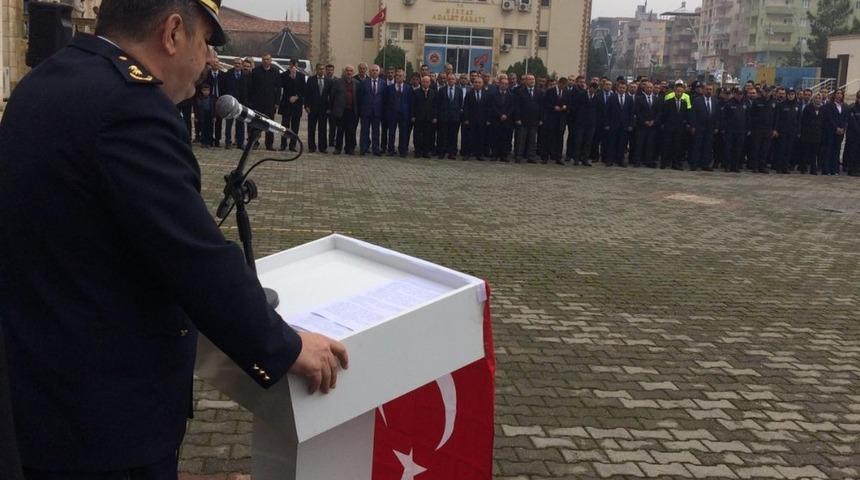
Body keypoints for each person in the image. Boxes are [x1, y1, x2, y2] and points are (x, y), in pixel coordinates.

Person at [0, 1, 348, 478]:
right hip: (104, 415)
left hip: (40, 380)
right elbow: (194, 257)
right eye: (205, 42)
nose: (208, 59)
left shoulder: (48, 79)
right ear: (172, 33)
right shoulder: (130, 108)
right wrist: (285, 346)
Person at [249, 53, 281, 150]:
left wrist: (277, 102)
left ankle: (269, 144)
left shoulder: (275, 72)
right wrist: (251, 101)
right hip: (257, 103)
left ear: (270, 61)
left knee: (270, 124)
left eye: (267, 59)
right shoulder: (255, 71)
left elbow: (278, 88)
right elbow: (251, 87)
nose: (265, 61)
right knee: (255, 124)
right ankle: (254, 142)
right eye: (264, 59)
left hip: (270, 103)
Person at [660, 82, 691, 170]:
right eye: (677, 91)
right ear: (674, 91)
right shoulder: (668, 102)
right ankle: (664, 163)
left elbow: (686, 115)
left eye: (681, 92)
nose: (679, 93)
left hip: (679, 128)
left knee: (677, 146)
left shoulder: (684, 103)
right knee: (666, 145)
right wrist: (664, 124)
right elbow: (664, 114)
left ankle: (675, 163)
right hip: (669, 127)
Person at [514, 74, 543, 164]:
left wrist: (541, 119)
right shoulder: (520, 92)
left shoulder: (539, 92)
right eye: (529, 79)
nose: (532, 81)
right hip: (523, 119)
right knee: (521, 139)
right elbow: (517, 106)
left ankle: (531, 156)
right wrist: (517, 118)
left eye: (533, 79)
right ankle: (519, 156)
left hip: (534, 120)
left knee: (532, 140)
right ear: (526, 81)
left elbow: (541, 106)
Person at [690, 84, 719, 171]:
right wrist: (693, 126)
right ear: (703, 90)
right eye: (707, 89)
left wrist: (716, 127)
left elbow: (717, 115)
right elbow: (693, 114)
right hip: (699, 127)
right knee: (697, 146)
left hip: (710, 128)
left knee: (708, 147)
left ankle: (705, 164)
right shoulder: (697, 101)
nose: (709, 91)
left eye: (710, 89)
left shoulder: (715, 101)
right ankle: (694, 164)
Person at [358, 64, 386, 156]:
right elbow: (360, 97)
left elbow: (384, 98)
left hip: (377, 111)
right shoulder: (364, 83)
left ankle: (376, 149)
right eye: (372, 70)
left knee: (376, 131)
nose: (374, 72)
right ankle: (363, 148)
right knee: (364, 131)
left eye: (376, 70)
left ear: (379, 72)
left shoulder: (383, 83)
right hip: (366, 111)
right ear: (369, 72)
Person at [543, 77, 572, 165]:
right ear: (559, 83)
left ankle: (558, 157)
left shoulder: (567, 93)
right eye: (563, 85)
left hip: (561, 119)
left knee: (559, 139)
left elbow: (569, 104)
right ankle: (545, 157)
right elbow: (546, 104)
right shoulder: (550, 91)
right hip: (551, 118)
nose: (563, 87)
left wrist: (565, 107)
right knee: (548, 138)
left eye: (565, 86)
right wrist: (553, 107)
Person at [720, 87, 749, 173]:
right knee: (728, 148)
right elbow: (724, 117)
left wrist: (747, 128)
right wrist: (724, 128)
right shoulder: (729, 103)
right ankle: (727, 166)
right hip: (730, 130)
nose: (739, 96)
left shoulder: (745, 104)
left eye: (741, 94)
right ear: (735, 94)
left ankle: (735, 166)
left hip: (741, 131)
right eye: (738, 94)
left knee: (738, 149)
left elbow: (748, 117)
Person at [331, 65, 359, 155]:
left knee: (350, 131)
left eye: (351, 71)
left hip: (351, 111)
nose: (349, 72)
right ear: (344, 72)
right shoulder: (338, 82)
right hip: (340, 111)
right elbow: (332, 96)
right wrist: (332, 109)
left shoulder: (357, 83)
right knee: (340, 130)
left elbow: (359, 98)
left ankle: (349, 148)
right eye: (347, 70)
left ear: (353, 73)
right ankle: (338, 148)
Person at [435, 73, 464, 160]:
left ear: (455, 80)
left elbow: (460, 103)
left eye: (453, 79)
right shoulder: (442, 90)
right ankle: (442, 152)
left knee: (453, 136)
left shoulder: (459, 90)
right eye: (449, 79)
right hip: (444, 117)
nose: (451, 80)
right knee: (442, 135)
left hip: (455, 117)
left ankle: (452, 153)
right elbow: (438, 104)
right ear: (447, 80)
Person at [384, 69, 413, 157]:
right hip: (392, 114)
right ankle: (391, 150)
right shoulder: (389, 88)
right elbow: (386, 102)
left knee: (403, 133)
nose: (398, 77)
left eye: (400, 76)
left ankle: (402, 150)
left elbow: (410, 102)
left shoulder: (408, 88)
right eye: (397, 75)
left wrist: (409, 114)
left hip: (404, 114)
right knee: (391, 132)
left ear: (404, 77)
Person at [279, 59, 306, 152]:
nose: (293, 67)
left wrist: (297, 96)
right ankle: (283, 144)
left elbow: (303, 90)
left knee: (295, 126)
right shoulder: (284, 75)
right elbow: (282, 87)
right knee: (284, 125)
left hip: (297, 104)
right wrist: (290, 77)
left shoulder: (301, 76)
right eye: (291, 65)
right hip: (286, 103)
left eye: (295, 65)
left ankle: (293, 145)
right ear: (289, 65)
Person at [305, 63, 332, 153]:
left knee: (323, 129)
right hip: (312, 108)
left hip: (324, 109)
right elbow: (307, 94)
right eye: (320, 69)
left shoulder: (329, 81)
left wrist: (329, 108)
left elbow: (330, 96)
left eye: (323, 69)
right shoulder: (311, 80)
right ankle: (311, 147)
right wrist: (307, 106)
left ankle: (323, 147)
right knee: (311, 128)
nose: (322, 70)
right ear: (316, 70)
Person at [772, 89, 800, 174]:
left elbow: (799, 119)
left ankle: (785, 167)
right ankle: (778, 167)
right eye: (789, 94)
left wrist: (798, 131)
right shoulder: (781, 105)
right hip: (782, 131)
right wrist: (775, 129)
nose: (791, 96)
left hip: (792, 131)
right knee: (781, 149)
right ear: (786, 95)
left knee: (789, 149)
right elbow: (777, 118)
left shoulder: (797, 106)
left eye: (792, 94)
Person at [606, 81, 633, 167]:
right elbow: (607, 112)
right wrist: (607, 123)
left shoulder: (629, 98)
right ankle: (610, 160)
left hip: (624, 125)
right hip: (613, 124)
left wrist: (630, 125)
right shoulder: (612, 97)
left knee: (622, 143)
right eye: (620, 87)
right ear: (617, 88)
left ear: (626, 89)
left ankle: (620, 160)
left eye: (623, 88)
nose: (621, 89)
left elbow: (631, 113)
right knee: (611, 142)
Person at [633, 81, 660, 168]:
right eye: (647, 87)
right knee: (639, 144)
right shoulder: (639, 98)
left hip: (652, 126)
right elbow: (637, 112)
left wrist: (653, 121)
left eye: (651, 88)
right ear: (644, 88)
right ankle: (637, 161)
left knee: (650, 144)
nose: (649, 89)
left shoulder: (657, 99)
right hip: (641, 125)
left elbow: (658, 113)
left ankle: (648, 161)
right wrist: (644, 121)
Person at [220, 57, 246, 149]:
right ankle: (228, 142)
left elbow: (247, 89)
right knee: (228, 124)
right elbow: (224, 87)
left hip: (241, 103)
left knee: (240, 124)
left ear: (241, 65)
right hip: (230, 103)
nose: (237, 65)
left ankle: (240, 143)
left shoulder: (245, 75)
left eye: (239, 63)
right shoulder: (228, 74)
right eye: (235, 63)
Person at [821, 89, 848, 175]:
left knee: (837, 150)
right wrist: (836, 128)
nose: (839, 95)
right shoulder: (829, 105)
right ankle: (826, 169)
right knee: (829, 149)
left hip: (840, 132)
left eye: (841, 94)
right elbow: (829, 118)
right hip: (831, 131)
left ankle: (834, 169)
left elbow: (845, 119)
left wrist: (843, 128)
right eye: (837, 93)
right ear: (834, 95)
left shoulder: (845, 106)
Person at [748, 87, 775, 173]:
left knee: (765, 149)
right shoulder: (757, 101)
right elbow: (751, 115)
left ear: (771, 92)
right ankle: (754, 166)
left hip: (768, 129)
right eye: (765, 91)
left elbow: (776, 117)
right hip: (757, 129)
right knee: (756, 148)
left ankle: (762, 166)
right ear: (762, 92)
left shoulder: (774, 102)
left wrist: (774, 129)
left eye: (768, 91)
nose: (767, 93)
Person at [463, 76, 491, 161]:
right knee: (470, 138)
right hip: (471, 120)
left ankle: (479, 154)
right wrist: (466, 119)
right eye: (475, 82)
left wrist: (488, 120)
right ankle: (467, 154)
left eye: (479, 82)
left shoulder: (487, 94)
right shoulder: (469, 94)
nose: (477, 84)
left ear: (482, 84)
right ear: (473, 83)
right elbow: (466, 107)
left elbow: (489, 108)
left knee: (481, 138)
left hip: (483, 120)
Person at [490, 76, 516, 162]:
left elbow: (512, 107)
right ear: (499, 84)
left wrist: (506, 115)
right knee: (495, 138)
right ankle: (494, 154)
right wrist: (500, 115)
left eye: (506, 84)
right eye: (502, 83)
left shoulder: (511, 96)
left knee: (506, 138)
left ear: (508, 85)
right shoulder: (494, 95)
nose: (504, 85)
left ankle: (504, 155)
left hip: (507, 121)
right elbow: (492, 107)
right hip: (496, 120)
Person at [411, 75, 437, 158]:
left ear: (429, 83)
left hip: (429, 118)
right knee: (417, 135)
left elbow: (435, 106)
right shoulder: (416, 92)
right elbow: (413, 105)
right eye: (423, 82)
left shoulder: (433, 93)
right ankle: (417, 151)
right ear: (421, 82)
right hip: (418, 118)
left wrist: (435, 117)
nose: (425, 83)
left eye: (427, 82)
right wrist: (413, 116)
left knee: (428, 135)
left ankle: (426, 152)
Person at [798, 94, 824, 174]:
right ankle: (803, 167)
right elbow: (804, 120)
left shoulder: (822, 109)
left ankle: (813, 169)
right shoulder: (808, 108)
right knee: (806, 151)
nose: (818, 99)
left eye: (819, 98)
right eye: (816, 98)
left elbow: (823, 120)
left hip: (817, 134)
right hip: (807, 133)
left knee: (814, 152)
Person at [195, 83, 216, 147]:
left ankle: (209, 142)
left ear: (209, 91)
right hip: (202, 116)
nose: (206, 92)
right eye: (204, 90)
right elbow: (196, 108)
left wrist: (214, 116)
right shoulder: (199, 98)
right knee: (203, 129)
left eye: (207, 90)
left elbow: (214, 108)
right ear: (202, 91)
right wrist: (196, 116)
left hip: (210, 115)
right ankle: (203, 142)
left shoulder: (212, 98)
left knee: (210, 129)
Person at [846, 90, 860, 177]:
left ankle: (858, 169)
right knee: (852, 152)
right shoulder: (852, 108)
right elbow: (852, 122)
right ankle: (851, 170)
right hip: (854, 135)